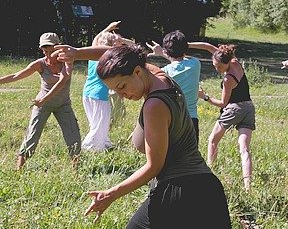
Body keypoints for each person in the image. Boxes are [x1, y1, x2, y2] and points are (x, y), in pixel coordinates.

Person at [53, 44, 231, 228]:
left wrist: (111, 194)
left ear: (137, 72)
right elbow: (122, 53)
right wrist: (78, 54)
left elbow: (154, 166)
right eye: (116, 91)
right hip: (207, 189)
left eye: (122, 86)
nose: (122, 95)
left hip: (179, 192)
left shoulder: (154, 106)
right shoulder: (161, 77)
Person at [0, 32, 81, 169]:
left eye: (51, 51)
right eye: (45, 51)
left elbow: (63, 81)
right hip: (42, 105)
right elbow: (16, 75)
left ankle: (77, 170)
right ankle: (19, 169)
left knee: (73, 135)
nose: (48, 55)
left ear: (58, 48)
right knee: (32, 135)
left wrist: (44, 99)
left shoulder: (67, 60)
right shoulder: (40, 64)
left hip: (62, 104)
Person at [189, 42, 255, 192]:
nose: (216, 69)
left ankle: (207, 176)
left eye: (219, 67)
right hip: (249, 108)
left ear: (226, 63)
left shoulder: (228, 79)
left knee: (212, 141)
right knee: (244, 149)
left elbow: (222, 104)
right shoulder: (234, 61)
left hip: (234, 109)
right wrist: (187, 45)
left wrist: (204, 96)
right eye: (214, 65)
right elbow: (208, 47)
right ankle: (248, 186)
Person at [82, 21, 133, 151]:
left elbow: (95, 39)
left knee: (96, 122)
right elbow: (133, 46)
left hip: (87, 94)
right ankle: (88, 147)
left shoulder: (93, 53)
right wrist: (122, 40)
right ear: (113, 45)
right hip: (99, 94)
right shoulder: (109, 58)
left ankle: (105, 143)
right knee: (101, 124)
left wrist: (108, 28)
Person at [146, 30, 201, 143]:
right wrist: (164, 52)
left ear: (166, 50)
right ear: (186, 48)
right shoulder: (196, 64)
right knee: (191, 156)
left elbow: (174, 62)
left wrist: (161, 52)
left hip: (173, 119)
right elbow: (180, 60)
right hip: (192, 119)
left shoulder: (164, 73)